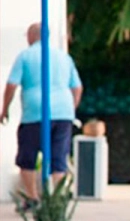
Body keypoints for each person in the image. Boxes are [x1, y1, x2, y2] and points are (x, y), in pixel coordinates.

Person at [0, 23, 83, 204]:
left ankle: (32, 198)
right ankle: (57, 200)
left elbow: (12, 84)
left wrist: (4, 109)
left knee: (27, 158)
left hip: (35, 113)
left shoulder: (25, 56)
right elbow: (77, 87)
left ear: (30, 36)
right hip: (63, 113)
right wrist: (70, 108)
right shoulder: (63, 57)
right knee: (58, 158)